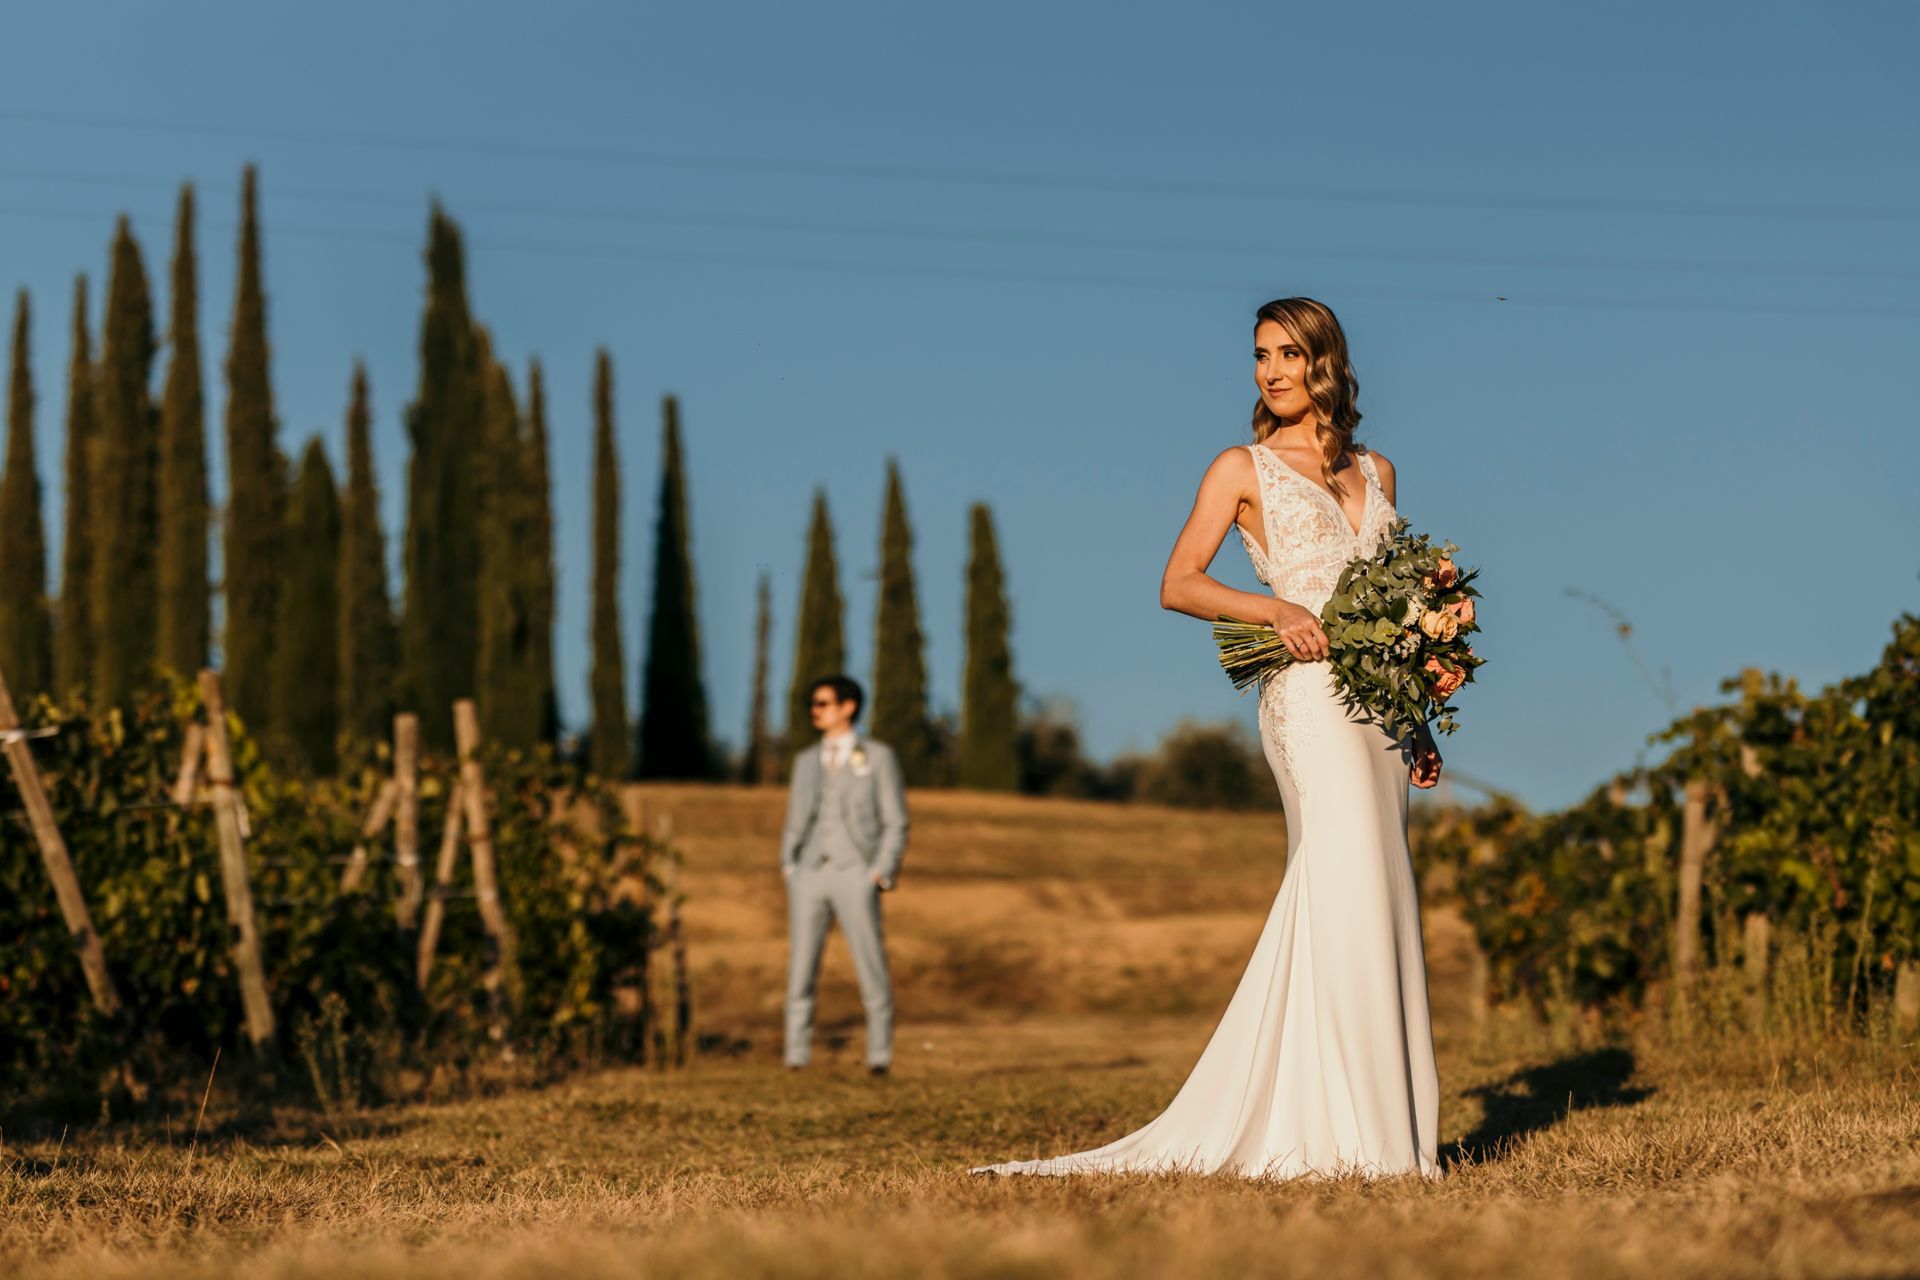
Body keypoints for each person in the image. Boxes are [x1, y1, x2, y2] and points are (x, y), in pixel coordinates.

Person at [973, 297, 1444, 1180]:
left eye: (1288, 354)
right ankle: (1350, 1137)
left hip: (1379, 713)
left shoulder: (1380, 471)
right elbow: (1178, 582)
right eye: (1260, 355)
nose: (1270, 370)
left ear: (1326, 364)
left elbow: (1394, 609)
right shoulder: (1242, 468)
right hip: (1305, 699)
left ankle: (1372, 1125)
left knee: (1375, 890)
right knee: (1342, 879)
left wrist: (1416, 716)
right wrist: (1272, 606)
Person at [779, 674, 909, 1075]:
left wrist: (879, 871)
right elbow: (796, 818)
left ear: (847, 707)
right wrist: (789, 865)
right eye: (813, 704)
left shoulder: (877, 757)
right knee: (801, 965)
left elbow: (896, 820)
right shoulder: (805, 761)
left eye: (822, 703)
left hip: (856, 872)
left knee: (870, 964)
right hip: (810, 873)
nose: (813, 711)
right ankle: (796, 1055)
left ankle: (879, 1056)